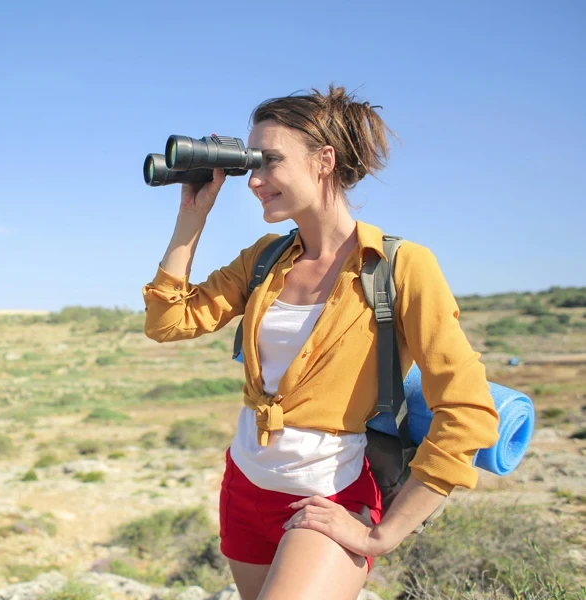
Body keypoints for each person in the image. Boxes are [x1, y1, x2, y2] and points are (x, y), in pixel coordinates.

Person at [141, 85, 500, 600]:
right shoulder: (265, 259)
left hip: (329, 493)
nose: (255, 181)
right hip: (245, 485)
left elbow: (467, 409)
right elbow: (167, 322)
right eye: (252, 165)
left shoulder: (400, 266)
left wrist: (386, 533)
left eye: (269, 162)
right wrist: (191, 218)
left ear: (324, 160)